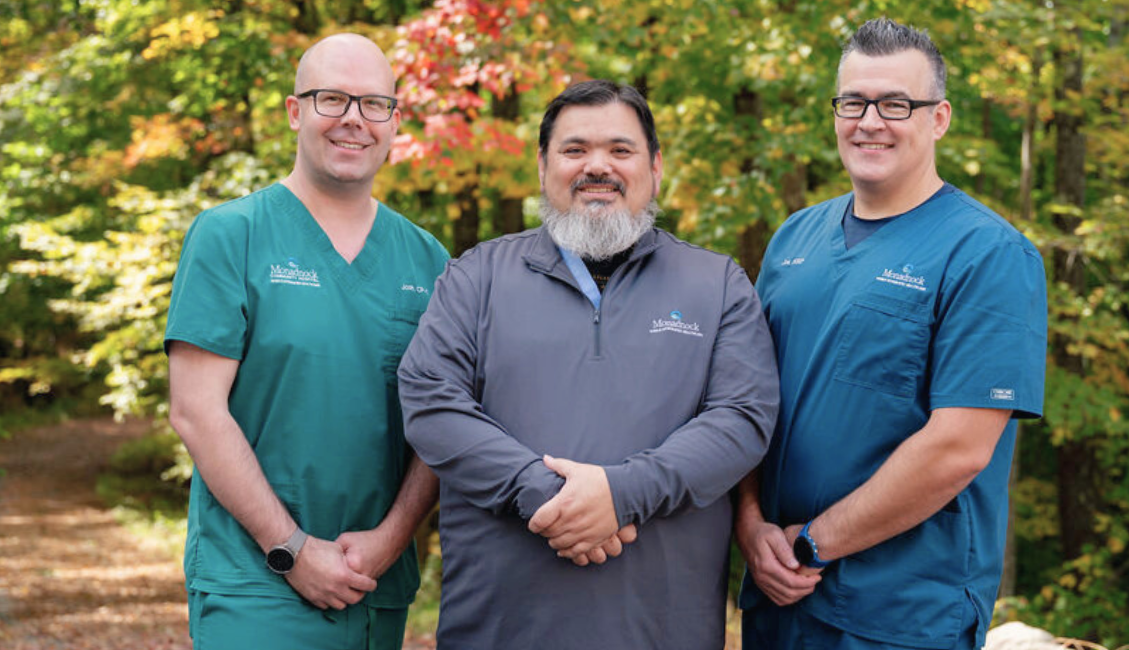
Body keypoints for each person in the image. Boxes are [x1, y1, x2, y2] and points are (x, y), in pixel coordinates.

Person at [397, 79, 779, 649]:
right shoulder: (476, 276)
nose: (597, 166)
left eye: (620, 150)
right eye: (574, 150)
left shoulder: (718, 285)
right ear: (543, 165)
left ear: (655, 166)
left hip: (663, 630)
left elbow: (743, 418)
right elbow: (430, 402)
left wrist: (624, 492)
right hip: (499, 629)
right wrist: (542, 492)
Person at [736, 18, 1048, 650]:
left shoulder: (988, 254)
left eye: (896, 104)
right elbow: (744, 398)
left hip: (901, 615)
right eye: (853, 101)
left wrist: (812, 543)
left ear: (939, 118)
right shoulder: (793, 239)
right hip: (776, 600)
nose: (869, 121)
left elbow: (957, 448)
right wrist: (747, 525)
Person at [163, 34, 447, 649]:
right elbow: (195, 410)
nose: (353, 119)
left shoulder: (429, 260)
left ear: (395, 121)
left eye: (373, 103)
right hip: (256, 584)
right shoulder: (229, 236)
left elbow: (445, 421)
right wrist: (291, 549)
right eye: (331, 99)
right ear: (295, 112)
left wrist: (392, 540)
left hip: (375, 587)